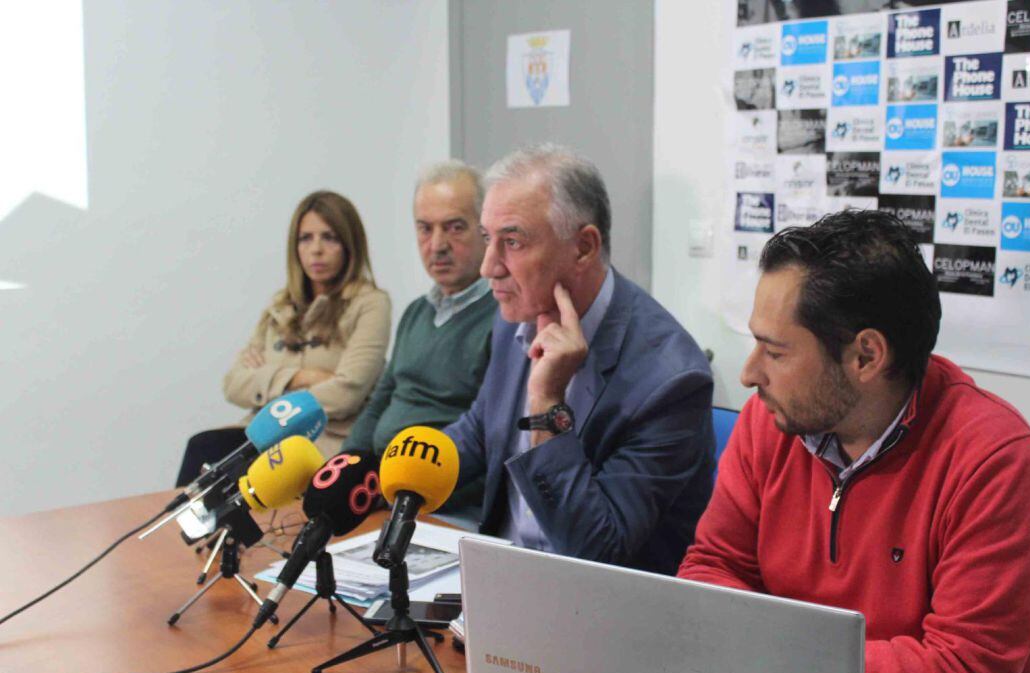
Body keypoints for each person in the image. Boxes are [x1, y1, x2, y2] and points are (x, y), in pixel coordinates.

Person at [678, 209, 1030, 673]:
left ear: (866, 357)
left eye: (774, 352)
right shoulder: (770, 421)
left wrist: (773, 661)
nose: (750, 374)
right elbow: (712, 569)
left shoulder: (993, 460)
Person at [444, 144, 715, 573]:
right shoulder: (516, 316)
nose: (488, 267)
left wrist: (547, 403)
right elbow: (479, 431)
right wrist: (389, 478)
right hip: (502, 580)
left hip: (605, 612)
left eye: (512, 242)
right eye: (486, 240)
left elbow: (597, 550)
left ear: (584, 247)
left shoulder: (670, 380)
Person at [177, 190, 391, 485]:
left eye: (329, 237)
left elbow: (346, 394)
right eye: (306, 238)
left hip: (321, 441)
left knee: (228, 478)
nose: (316, 249)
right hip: (261, 434)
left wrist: (266, 379)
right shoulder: (280, 306)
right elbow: (234, 383)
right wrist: (300, 377)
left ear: (349, 245)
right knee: (202, 449)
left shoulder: (371, 304)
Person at [342, 161, 496, 512]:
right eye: (425, 229)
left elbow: (486, 435)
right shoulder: (416, 312)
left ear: (485, 230)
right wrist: (347, 467)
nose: (437, 245)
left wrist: (404, 486)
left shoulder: (504, 318)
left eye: (454, 228)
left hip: (440, 505)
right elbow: (381, 400)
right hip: (383, 491)